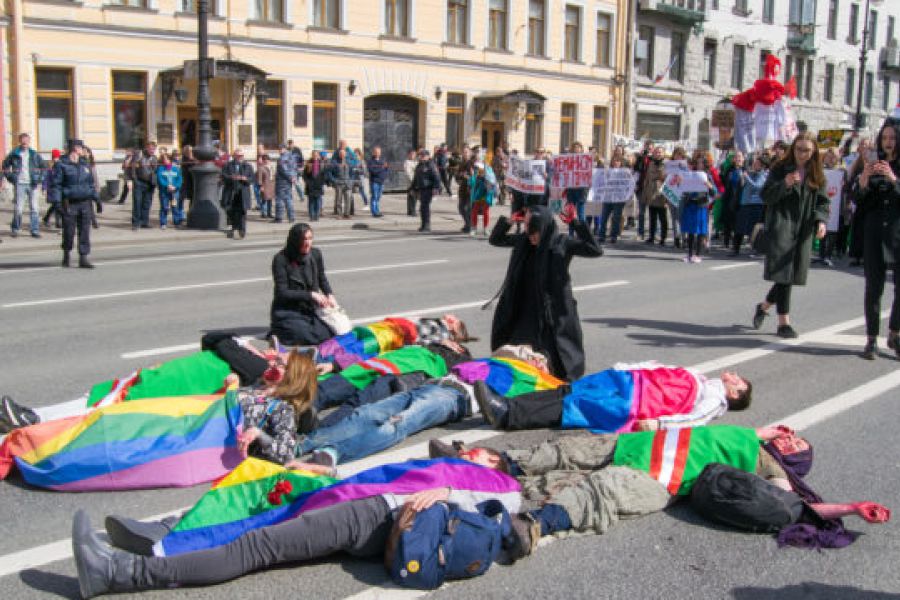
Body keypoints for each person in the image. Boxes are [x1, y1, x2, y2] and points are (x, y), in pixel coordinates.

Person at [70, 456, 527, 599]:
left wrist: (450, 493)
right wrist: (328, 472)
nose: (473, 454)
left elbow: (505, 507)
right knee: (262, 501)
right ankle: (161, 538)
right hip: (367, 505)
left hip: (375, 518)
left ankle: (117, 574)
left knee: (257, 545)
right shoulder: (452, 466)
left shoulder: (500, 484)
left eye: (483, 454)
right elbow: (388, 474)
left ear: (498, 463)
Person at [489, 205, 602, 380]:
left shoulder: (561, 243)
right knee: (517, 348)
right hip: (525, 305)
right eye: (528, 230)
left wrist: (577, 223)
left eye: (535, 232)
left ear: (545, 228)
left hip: (552, 310)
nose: (531, 236)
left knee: (555, 351)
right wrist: (509, 221)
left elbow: (594, 250)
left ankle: (553, 380)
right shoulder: (523, 242)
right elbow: (496, 239)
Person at [474, 362, 751, 432]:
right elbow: (660, 366)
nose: (735, 375)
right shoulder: (702, 379)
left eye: (739, 381)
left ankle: (508, 415)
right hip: (632, 381)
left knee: (572, 406)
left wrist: (659, 425)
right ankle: (507, 404)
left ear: (735, 393)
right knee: (569, 390)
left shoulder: (716, 399)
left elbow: (695, 419)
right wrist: (629, 366)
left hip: (637, 401)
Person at [752, 132, 830, 338]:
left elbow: (823, 201)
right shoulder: (780, 168)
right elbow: (765, 195)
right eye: (798, 149)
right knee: (785, 275)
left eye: (806, 150)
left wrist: (821, 221)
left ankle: (763, 306)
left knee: (790, 276)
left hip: (803, 229)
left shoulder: (816, 174)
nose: (801, 154)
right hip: (782, 227)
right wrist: (784, 184)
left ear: (813, 152)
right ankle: (783, 323)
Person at [857, 118, 900, 360]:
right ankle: (871, 339)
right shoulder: (874, 165)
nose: (888, 142)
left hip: (897, 232)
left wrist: (894, 180)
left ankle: (894, 332)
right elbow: (859, 202)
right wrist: (863, 182)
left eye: (892, 138)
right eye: (885, 138)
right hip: (874, 233)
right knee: (874, 287)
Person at [269, 223, 338, 346]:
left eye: (310, 238)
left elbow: (322, 277)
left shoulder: (315, 254)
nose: (307, 243)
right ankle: (278, 331)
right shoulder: (281, 259)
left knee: (330, 331)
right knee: (305, 334)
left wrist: (329, 294)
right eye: (303, 239)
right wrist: (310, 295)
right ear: (295, 240)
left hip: (309, 309)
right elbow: (282, 292)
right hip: (288, 311)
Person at [49, 139, 99, 269]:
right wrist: (57, 203)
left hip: (85, 203)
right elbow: (56, 185)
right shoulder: (62, 165)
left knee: (84, 231)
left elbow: (90, 184)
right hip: (69, 203)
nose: (83, 150)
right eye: (81, 147)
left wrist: (97, 200)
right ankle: (66, 254)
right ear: (75, 149)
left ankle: (83, 257)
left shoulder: (85, 165)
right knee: (69, 232)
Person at [3, 132, 47, 238]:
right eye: (23, 142)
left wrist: (40, 178)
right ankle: (16, 229)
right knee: (19, 208)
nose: (25, 144)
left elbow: (44, 167)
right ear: (20, 142)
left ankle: (34, 230)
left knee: (34, 208)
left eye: (26, 142)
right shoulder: (14, 154)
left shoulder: (34, 154)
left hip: (32, 184)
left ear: (29, 142)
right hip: (20, 184)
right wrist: (11, 177)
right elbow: (5, 166)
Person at [681, 154, 719, 264]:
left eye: (701, 163)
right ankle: (689, 254)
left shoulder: (707, 175)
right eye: (697, 163)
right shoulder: (690, 175)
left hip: (701, 205)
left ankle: (697, 254)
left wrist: (709, 185)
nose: (699, 165)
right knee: (690, 230)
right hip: (690, 204)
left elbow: (714, 192)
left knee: (700, 230)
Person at [732, 154, 769, 256]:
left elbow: (757, 186)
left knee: (753, 229)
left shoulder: (764, 175)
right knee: (739, 227)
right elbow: (743, 186)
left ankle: (755, 249)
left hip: (756, 205)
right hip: (745, 203)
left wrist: (747, 178)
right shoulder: (750, 173)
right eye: (755, 163)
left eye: (757, 163)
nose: (754, 165)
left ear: (763, 166)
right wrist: (743, 179)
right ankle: (735, 249)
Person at [220, 148, 254, 239]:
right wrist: (232, 177)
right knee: (230, 210)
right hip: (231, 191)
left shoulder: (247, 166)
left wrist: (245, 178)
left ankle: (241, 230)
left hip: (242, 192)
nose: (240, 157)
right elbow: (223, 176)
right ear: (234, 156)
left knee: (242, 211)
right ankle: (233, 227)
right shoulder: (228, 165)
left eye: (241, 156)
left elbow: (252, 178)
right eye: (238, 156)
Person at [596, 155, 630, 244]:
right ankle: (601, 235)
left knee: (616, 218)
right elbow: (600, 181)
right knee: (604, 217)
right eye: (614, 161)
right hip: (607, 198)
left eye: (618, 161)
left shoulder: (625, 172)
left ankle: (613, 236)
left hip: (619, 199)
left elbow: (629, 183)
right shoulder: (607, 171)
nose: (616, 163)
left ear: (621, 163)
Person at [129, 139, 158, 230]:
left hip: (150, 183)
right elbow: (132, 168)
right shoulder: (139, 155)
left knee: (147, 203)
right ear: (146, 148)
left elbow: (155, 170)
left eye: (153, 149)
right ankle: (136, 223)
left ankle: (144, 222)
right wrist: (133, 180)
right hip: (139, 182)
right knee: (137, 203)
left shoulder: (154, 158)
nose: (152, 151)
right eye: (151, 149)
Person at [642, 146, 668, 245]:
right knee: (652, 217)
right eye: (656, 152)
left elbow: (667, 178)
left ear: (663, 154)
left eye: (660, 152)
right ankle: (652, 236)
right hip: (651, 192)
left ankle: (663, 237)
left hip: (661, 193)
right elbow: (647, 178)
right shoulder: (651, 164)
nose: (658, 154)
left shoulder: (666, 164)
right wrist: (645, 192)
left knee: (663, 217)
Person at [720, 151, 746, 249]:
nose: (738, 159)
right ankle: (726, 241)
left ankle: (737, 243)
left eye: (740, 157)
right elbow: (724, 182)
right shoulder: (729, 170)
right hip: (730, 198)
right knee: (728, 221)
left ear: (743, 159)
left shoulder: (746, 170)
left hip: (741, 199)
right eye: (736, 157)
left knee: (738, 222)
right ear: (733, 159)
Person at [412, 149, 441, 232]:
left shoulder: (431, 165)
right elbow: (416, 177)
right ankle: (423, 224)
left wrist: (436, 188)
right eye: (421, 155)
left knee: (425, 207)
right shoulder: (419, 165)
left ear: (428, 156)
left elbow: (437, 177)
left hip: (428, 188)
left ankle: (427, 225)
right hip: (421, 188)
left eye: (423, 155)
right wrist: (413, 187)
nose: (422, 157)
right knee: (422, 207)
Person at [156, 151, 183, 229]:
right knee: (164, 207)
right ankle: (163, 223)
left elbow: (179, 179)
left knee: (175, 207)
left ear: (170, 160)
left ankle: (177, 222)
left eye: (167, 159)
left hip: (174, 191)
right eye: (164, 159)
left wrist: (175, 186)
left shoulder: (176, 169)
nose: (165, 161)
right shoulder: (161, 169)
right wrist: (167, 185)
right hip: (164, 191)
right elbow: (160, 179)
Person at [469, 161, 497, 237]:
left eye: (478, 168)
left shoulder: (489, 175)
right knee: (474, 212)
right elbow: (470, 183)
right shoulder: (475, 176)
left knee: (486, 212)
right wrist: (473, 176)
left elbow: (493, 184)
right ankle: (474, 228)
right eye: (476, 168)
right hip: (477, 196)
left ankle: (486, 229)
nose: (477, 170)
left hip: (486, 196)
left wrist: (495, 195)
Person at [328, 147, 355, 219]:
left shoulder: (348, 162)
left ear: (345, 155)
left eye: (344, 154)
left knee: (348, 199)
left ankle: (347, 214)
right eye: (341, 154)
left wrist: (351, 180)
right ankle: (339, 214)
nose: (342, 155)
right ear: (339, 154)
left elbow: (352, 172)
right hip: (339, 183)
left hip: (347, 183)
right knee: (339, 200)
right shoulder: (335, 162)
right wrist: (334, 180)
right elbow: (329, 172)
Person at [275, 144, 297, 223]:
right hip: (289, 181)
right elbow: (294, 168)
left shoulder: (283, 158)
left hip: (282, 181)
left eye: (280, 149)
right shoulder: (292, 156)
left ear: (284, 149)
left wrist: (290, 177)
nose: (279, 151)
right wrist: (293, 177)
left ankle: (279, 217)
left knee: (280, 199)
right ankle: (291, 217)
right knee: (288, 199)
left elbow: (283, 170)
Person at [302, 151, 327, 221]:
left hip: (318, 185)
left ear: (318, 156)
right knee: (311, 202)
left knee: (318, 202)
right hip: (311, 185)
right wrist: (307, 182)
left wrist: (322, 182)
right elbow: (304, 175)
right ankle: (311, 216)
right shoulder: (309, 163)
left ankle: (317, 215)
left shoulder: (321, 163)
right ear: (312, 155)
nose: (315, 156)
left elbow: (324, 174)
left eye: (316, 155)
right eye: (314, 155)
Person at [41, 148, 63, 229]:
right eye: (54, 157)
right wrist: (44, 188)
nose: (55, 158)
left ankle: (46, 219)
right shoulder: (50, 165)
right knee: (57, 205)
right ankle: (58, 223)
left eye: (56, 157)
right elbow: (46, 177)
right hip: (52, 189)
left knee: (55, 205)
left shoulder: (61, 165)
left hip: (58, 188)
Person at [454, 146, 474, 233]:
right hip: (462, 188)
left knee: (468, 208)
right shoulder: (462, 163)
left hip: (471, 189)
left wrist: (469, 176)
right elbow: (457, 175)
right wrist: (461, 175)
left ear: (470, 153)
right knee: (461, 208)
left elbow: (476, 175)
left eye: (466, 152)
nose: (465, 154)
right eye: (463, 152)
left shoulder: (473, 163)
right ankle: (467, 224)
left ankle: (470, 225)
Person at [367, 146, 389, 218]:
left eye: (379, 152)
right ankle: (374, 212)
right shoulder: (371, 161)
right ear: (373, 153)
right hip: (374, 182)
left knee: (378, 197)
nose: (377, 153)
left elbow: (386, 169)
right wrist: (381, 168)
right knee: (374, 197)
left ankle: (377, 210)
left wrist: (384, 175)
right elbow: (373, 171)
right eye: (376, 152)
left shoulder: (383, 160)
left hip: (381, 181)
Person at [256, 152, 275, 219]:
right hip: (265, 185)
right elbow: (259, 178)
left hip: (271, 185)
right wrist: (261, 186)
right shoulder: (261, 168)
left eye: (267, 159)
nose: (266, 161)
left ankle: (269, 213)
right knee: (264, 200)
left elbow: (273, 175)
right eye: (265, 160)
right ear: (263, 161)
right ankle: (263, 213)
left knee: (270, 200)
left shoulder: (271, 167)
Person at [179, 145, 195, 210]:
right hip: (186, 181)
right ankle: (180, 213)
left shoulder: (193, 159)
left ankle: (191, 211)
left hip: (192, 182)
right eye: (190, 151)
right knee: (181, 198)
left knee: (192, 198)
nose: (191, 152)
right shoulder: (185, 159)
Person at [403, 149, 418, 216]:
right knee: (411, 197)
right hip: (411, 183)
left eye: (414, 154)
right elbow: (408, 173)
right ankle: (412, 211)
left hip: (416, 182)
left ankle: (411, 211)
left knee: (414, 197)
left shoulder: (416, 162)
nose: (413, 156)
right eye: (411, 154)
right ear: (408, 155)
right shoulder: (407, 162)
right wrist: (413, 181)